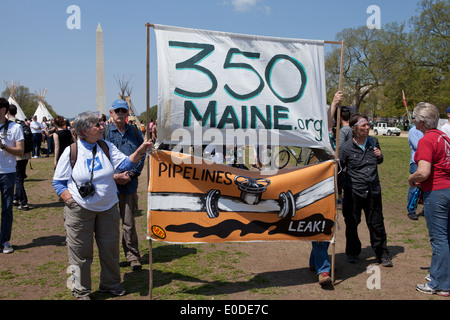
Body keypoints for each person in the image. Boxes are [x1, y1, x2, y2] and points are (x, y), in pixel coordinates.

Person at [52, 111, 152, 300]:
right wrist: (71, 202)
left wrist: (140, 150)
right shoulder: (71, 151)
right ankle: (80, 291)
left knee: (110, 250)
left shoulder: (106, 146)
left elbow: (124, 164)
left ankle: (110, 284)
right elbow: (58, 182)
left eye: (101, 123)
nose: (101, 127)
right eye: (96, 125)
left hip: (108, 208)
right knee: (80, 254)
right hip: (79, 210)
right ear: (83, 131)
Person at [339, 112, 393, 267]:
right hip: (353, 192)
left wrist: (379, 156)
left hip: (373, 191)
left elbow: (380, 161)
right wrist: (341, 193)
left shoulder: (374, 142)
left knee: (377, 224)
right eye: (364, 125)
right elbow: (340, 172)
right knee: (351, 223)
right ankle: (352, 252)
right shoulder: (345, 148)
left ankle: (382, 253)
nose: (367, 127)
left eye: (368, 124)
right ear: (353, 128)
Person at [408, 102, 450, 297]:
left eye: (416, 119)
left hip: (437, 191)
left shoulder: (427, 140)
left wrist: (411, 178)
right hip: (448, 189)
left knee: (439, 239)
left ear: (422, 122)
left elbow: (423, 172)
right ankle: (439, 275)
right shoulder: (445, 137)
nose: (415, 123)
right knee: (445, 237)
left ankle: (441, 284)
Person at [104, 100, 145, 271]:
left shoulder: (134, 132)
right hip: (108, 185)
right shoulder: (104, 133)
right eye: (117, 110)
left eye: (124, 110)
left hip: (129, 184)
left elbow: (142, 153)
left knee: (128, 223)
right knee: (109, 226)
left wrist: (131, 173)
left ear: (128, 113)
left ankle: (132, 256)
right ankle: (111, 259)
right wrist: (114, 176)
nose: (120, 113)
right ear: (111, 112)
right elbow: (99, 156)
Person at [308, 91, 343, 287]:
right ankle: (323, 269)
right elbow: (324, 128)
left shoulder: (331, 137)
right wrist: (334, 105)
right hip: (313, 182)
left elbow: (328, 128)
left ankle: (315, 261)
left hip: (330, 183)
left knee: (325, 224)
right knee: (319, 225)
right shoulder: (311, 135)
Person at [0, 98, 24, 253]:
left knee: (7, 208)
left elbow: (20, 151)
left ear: (4, 110)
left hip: (7, 172)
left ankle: (4, 241)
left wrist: (3, 146)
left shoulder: (15, 127)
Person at [7, 105, 31, 211]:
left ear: (7, 112)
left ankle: (24, 202)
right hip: (25, 154)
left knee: (18, 179)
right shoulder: (22, 123)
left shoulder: (10, 125)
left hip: (16, 155)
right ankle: (16, 198)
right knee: (20, 176)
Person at [406, 125, 424, 220]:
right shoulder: (413, 131)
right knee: (415, 186)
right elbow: (418, 146)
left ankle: (426, 209)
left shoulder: (428, 130)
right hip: (416, 162)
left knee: (427, 187)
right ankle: (411, 210)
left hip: (428, 162)